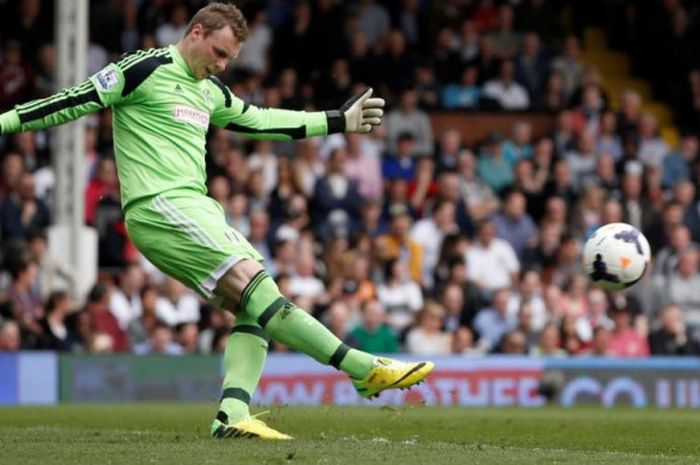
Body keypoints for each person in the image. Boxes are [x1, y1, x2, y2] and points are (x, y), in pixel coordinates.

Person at [0, 3, 433, 440]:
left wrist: (336, 120)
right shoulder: (145, 68)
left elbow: (260, 121)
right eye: (219, 53)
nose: (222, 65)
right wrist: (6, 121)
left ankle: (231, 414)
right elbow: (74, 100)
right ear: (196, 31)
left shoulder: (210, 91)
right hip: (160, 206)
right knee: (259, 289)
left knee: (255, 305)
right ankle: (361, 368)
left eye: (230, 59)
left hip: (197, 209)